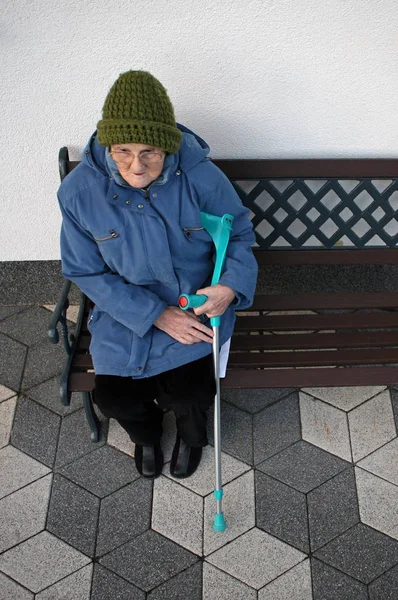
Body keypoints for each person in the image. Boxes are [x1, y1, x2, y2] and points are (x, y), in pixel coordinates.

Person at [58, 70, 258, 479]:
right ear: (108, 145)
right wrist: (154, 314)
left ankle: (192, 437)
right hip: (124, 314)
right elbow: (84, 269)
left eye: (151, 151)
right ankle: (146, 437)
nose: (136, 165)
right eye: (124, 150)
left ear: (168, 147)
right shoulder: (79, 193)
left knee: (192, 391)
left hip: (195, 305)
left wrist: (230, 287)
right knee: (113, 398)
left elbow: (238, 233)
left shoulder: (200, 177)